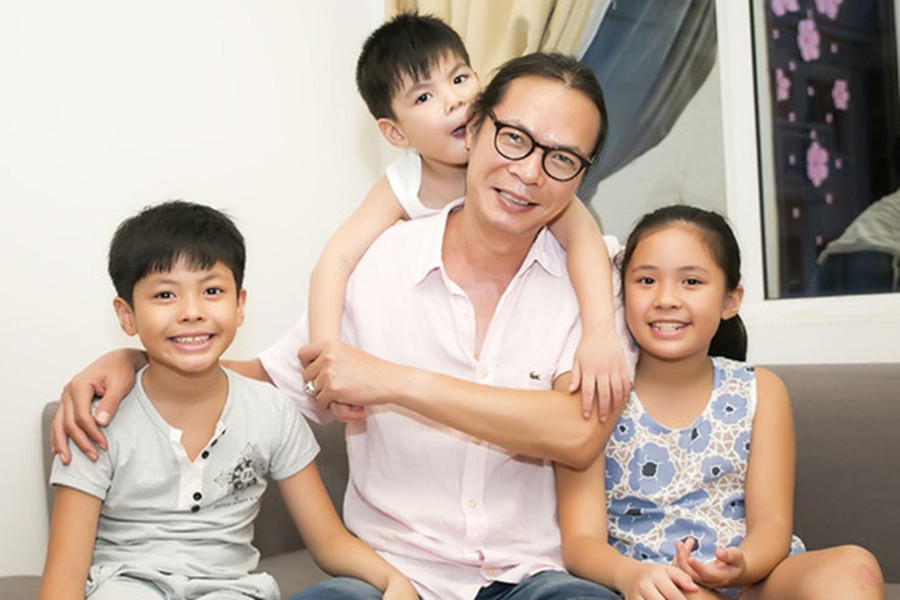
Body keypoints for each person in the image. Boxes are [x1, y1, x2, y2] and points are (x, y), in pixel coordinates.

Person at [52, 54, 636, 600]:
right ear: (476, 127)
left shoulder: (594, 285)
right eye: (514, 138)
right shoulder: (377, 266)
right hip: (389, 575)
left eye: (562, 159)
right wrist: (136, 361)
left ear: (580, 175)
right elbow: (270, 380)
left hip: (529, 579)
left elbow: (576, 433)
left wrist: (395, 382)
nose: (529, 172)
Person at [39, 201, 416, 600]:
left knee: (353, 595)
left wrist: (395, 581)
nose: (192, 312)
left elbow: (329, 541)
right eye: (165, 294)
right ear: (126, 315)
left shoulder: (271, 411)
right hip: (127, 588)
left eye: (212, 291)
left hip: (229, 591)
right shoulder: (96, 418)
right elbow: (64, 575)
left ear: (239, 306)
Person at [555, 205, 887, 599]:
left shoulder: (760, 390)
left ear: (730, 300)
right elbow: (581, 542)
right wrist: (634, 576)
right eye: (646, 280)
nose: (666, 299)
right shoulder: (595, 388)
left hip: (752, 579)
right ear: (620, 292)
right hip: (655, 585)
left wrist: (740, 565)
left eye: (691, 281)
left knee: (855, 566)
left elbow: (772, 526)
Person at [309, 13, 631, 418]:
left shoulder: (528, 180)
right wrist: (327, 354)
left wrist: (599, 332)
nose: (454, 101)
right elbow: (336, 258)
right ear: (395, 133)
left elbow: (585, 241)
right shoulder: (403, 186)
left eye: (459, 79)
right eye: (424, 97)